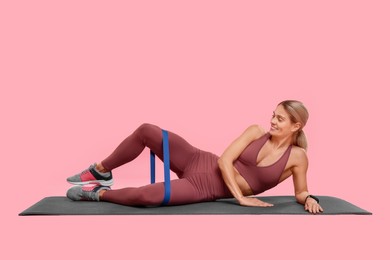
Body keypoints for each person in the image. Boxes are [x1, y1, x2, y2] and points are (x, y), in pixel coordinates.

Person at [66, 100, 323, 214]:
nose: (272, 121)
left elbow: (300, 191)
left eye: (279, 118)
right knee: (147, 130)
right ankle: (102, 170)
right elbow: (224, 161)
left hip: (204, 187)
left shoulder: (297, 157)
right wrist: (241, 198)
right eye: (273, 114)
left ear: (296, 126)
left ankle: (97, 192)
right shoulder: (256, 131)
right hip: (200, 161)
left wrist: (309, 199)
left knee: (147, 196)